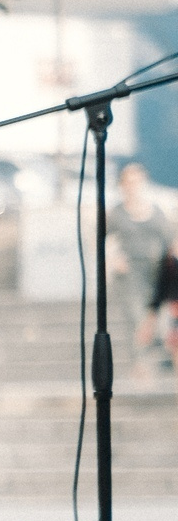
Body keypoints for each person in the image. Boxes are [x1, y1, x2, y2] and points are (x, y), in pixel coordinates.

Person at [106, 161, 174, 375]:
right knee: (135, 317)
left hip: (154, 271)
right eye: (129, 182)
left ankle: (161, 361)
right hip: (129, 272)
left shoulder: (156, 212)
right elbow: (98, 239)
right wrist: (113, 258)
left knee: (159, 317)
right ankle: (140, 365)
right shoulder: (116, 213)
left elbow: (169, 241)